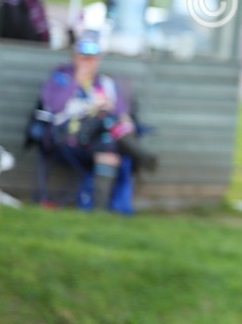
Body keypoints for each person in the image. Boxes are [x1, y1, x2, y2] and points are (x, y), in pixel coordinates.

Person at [39, 31, 159, 213]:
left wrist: (115, 113)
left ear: (99, 60)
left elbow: (122, 114)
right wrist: (77, 80)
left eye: (93, 58)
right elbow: (53, 106)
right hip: (68, 135)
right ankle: (141, 155)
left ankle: (99, 210)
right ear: (74, 57)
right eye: (84, 57)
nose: (88, 62)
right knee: (107, 122)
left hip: (100, 138)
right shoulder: (61, 78)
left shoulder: (105, 83)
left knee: (108, 142)